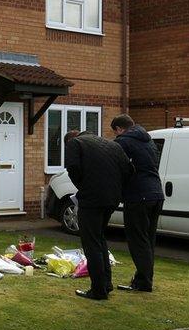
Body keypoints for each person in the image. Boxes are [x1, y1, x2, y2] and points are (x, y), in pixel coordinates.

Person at [64, 129, 132, 300]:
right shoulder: (113, 145)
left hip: (92, 199)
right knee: (99, 239)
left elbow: (72, 167)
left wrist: (83, 186)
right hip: (112, 199)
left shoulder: (75, 143)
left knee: (91, 243)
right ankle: (106, 284)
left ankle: (98, 290)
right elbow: (129, 170)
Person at [111, 114, 165, 292]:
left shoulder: (123, 142)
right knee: (148, 239)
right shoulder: (148, 140)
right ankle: (144, 279)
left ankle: (143, 283)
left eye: (116, 132)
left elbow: (118, 167)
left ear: (119, 129)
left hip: (138, 196)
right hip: (156, 193)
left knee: (137, 240)